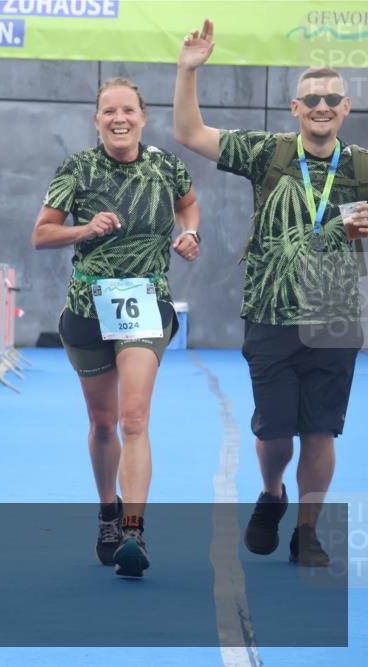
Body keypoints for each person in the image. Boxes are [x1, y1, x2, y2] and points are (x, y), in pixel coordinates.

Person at [174, 21, 368, 566]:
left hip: (334, 317)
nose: (322, 106)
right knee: (275, 431)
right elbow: (191, 133)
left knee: (321, 431)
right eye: (312, 99)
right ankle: (271, 491)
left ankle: (308, 530)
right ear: (294, 107)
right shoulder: (270, 153)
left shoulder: (360, 167)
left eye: (332, 98)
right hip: (270, 312)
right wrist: (188, 70)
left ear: (346, 107)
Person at [32, 77, 201, 578]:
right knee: (103, 422)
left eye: (128, 110)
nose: (119, 118)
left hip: (145, 300)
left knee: (133, 419)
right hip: (87, 306)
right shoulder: (76, 169)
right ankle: (108, 508)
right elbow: (41, 234)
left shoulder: (166, 165)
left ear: (143, 117)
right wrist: (84, 229)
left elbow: (188, 204)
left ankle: (133, 530)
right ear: (97, 119)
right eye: (109, 111)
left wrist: (190, 232)